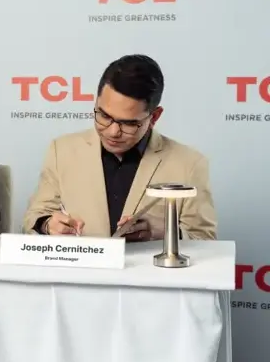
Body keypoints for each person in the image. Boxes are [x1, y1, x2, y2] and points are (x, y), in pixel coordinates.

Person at [22, 54, 217, 240]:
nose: (113, 131)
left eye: (129, 123)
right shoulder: (62, 150)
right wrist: (47, 225)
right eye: (104, 116)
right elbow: (33, 219)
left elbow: (204, 239)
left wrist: (161, 233)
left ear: (154, 117)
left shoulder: (189, 164)